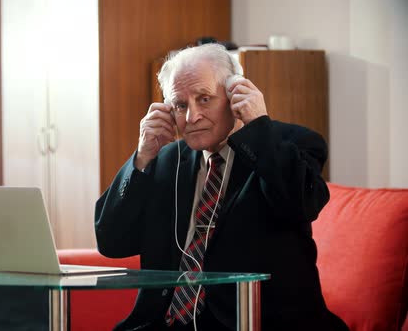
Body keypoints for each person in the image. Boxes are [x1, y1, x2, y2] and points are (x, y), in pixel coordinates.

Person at [94, 44, 349, 331]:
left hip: (254, 323)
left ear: (234, 95)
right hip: (166, 323)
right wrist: (141, 159)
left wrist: (258, 126)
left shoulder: (290, 144)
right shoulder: (165, 159)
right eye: (180, 105)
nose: (191, 117)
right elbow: (111, 241)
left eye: (204, 99)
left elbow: (302, 203)